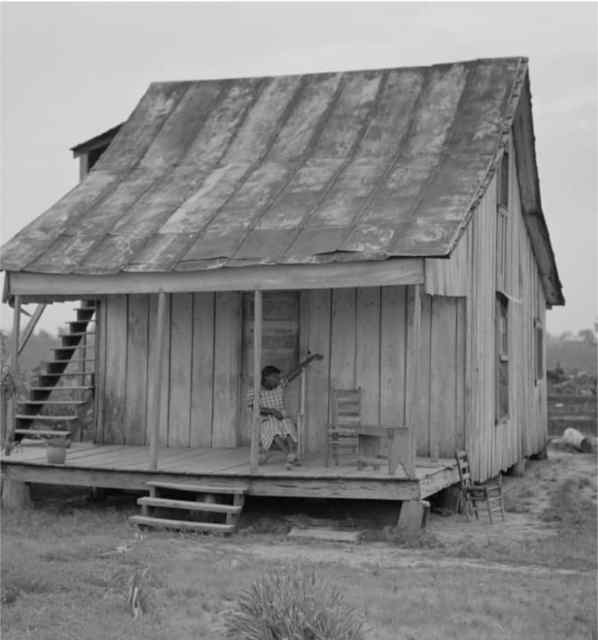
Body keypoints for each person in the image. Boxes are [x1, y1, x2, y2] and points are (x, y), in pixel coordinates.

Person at [248, 353, 323, 467]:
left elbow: (295, 372)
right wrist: (272, 411)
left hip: (281, 417)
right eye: (276, 378)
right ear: (267, 377)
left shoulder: (279, 386)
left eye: (279, 378)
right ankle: (289, 455)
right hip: (265, 419)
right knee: (274, 429)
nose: (279, 380)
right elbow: (254, 408)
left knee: (288, 426)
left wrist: (310, 360)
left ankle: (291, 455)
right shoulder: (254, 390)